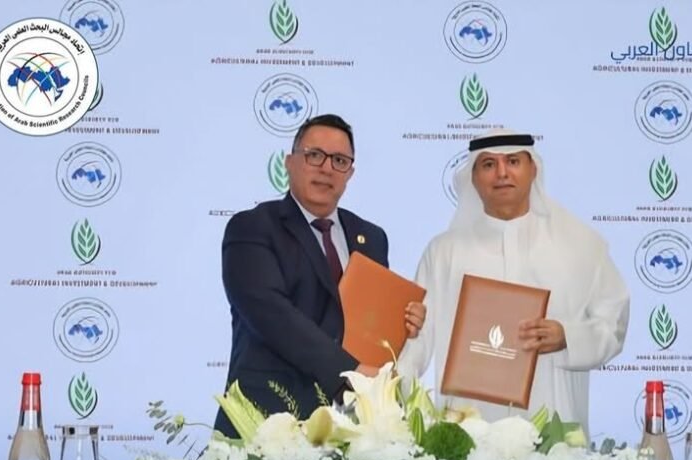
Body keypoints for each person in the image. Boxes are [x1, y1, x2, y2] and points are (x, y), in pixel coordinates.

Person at [397, 129, 629, 436]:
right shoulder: (444, 252)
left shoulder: (580, 246)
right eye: (488, 164)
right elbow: (417, 337)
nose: (502, 173)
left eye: (513, 161)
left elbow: (613, 322)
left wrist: (568, 337)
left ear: (533, 169)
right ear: (473, 178)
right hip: (467, 435)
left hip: (554, 433)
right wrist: (400, 408)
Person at [214, 114, 425, 438]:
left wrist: (404, 321)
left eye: (339, 160)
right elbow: (272, 315)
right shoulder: (253, 227)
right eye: (315, 155)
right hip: (268, 425)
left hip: (352, 427)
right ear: (290, 163)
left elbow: (368, 322)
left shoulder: (371, 237)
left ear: (350, 173)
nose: (327, 168)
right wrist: (351, 373)